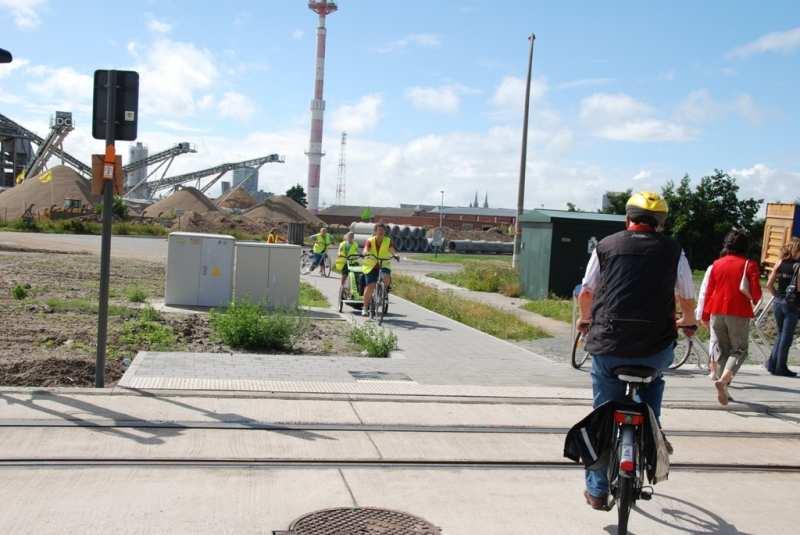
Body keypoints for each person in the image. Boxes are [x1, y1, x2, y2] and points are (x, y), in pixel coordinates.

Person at [575, 191, 696, 510]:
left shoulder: (606, 246)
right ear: (660, 222)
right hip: (655, 346)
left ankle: (598, 490)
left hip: (609, 343)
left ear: (628, 217)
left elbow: (587, 292)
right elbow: (686, 295)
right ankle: (652, 429)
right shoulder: (674, 251)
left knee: (603, 414)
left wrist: (586, 319)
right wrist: (690, 321)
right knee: (654, 380)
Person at [697, 230, 762, 405]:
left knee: (723, 351)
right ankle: (724, 381)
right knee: (739, 350)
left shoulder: (717, 264)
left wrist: (704, 315)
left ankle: (724, 387)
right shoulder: (749, 265)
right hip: (738, 312)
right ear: (745, 246)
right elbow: (756, 293)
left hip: (716, 311)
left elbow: (709, 291)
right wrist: (754, 300)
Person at [765, 239, 800, 377]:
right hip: (792, 304)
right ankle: (781, 367)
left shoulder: (779, 262)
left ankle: (772, 364)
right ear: (796, 250)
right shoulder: (798, 266)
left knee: (780, 335)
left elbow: (768, 283)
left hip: (778, 302)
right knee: (786, 337)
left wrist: (777, 296)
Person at [361, 223, 398, 316]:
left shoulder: (388, 240)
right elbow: (366, 249)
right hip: (371, 265)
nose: (381, 232)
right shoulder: (370, 240)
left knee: (386, 277)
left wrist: (395, 255)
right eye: (379, 230)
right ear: (375, 231)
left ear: (385, 231)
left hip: (384, 263)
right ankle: (365, 308)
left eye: (382, 230)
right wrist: (365, 253)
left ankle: (382, 292)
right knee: (370, 286)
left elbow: (392, 249)